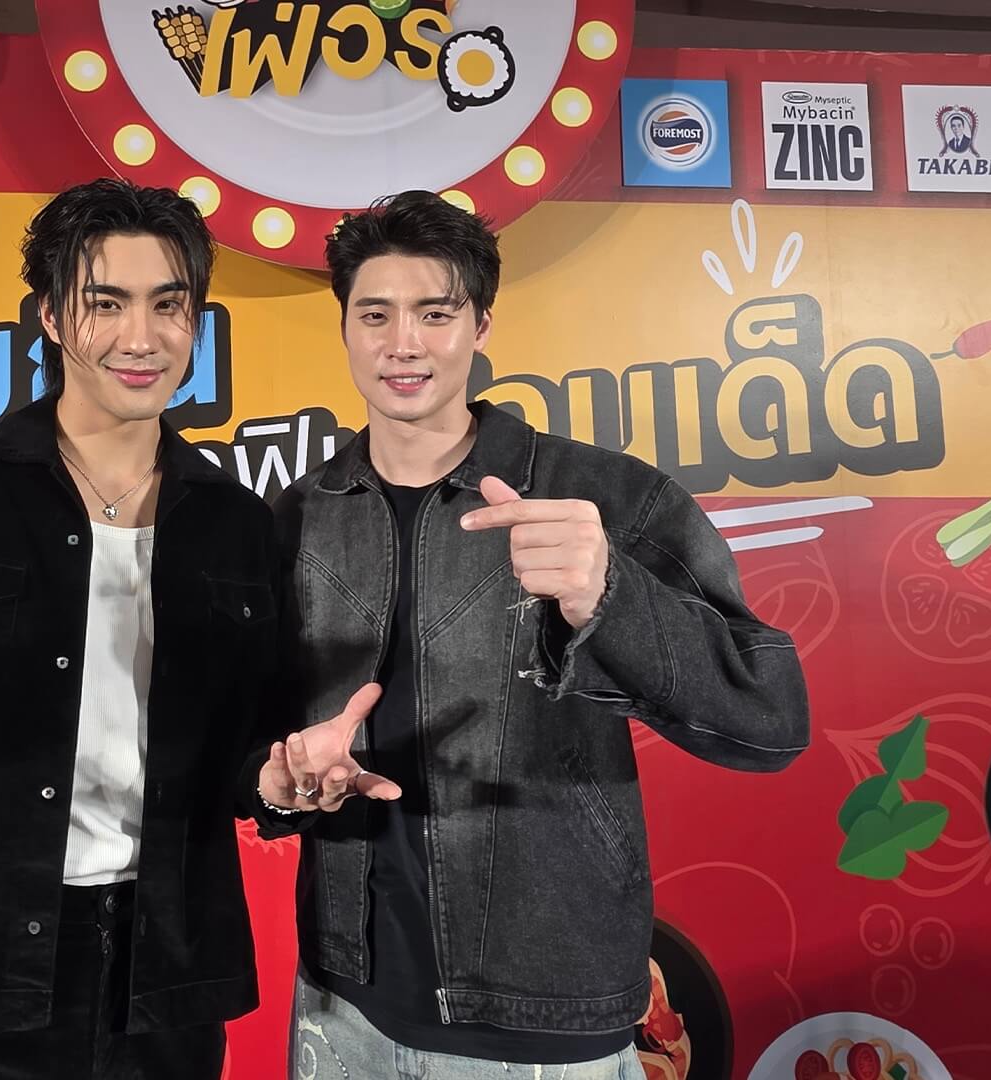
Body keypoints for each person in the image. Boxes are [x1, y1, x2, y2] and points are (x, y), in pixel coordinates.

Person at [0, 178, 364, 1079]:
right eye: (105, 303)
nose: (141, 337)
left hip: (164, 978)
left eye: (169, 305)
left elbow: (251, 759)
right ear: (50, 315)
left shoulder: (236, 522)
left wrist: (282, 785)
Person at [250, 191, 811, 1079]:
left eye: (436, 314)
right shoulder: (298, 519)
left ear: (480, 325)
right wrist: (281, 784)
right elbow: (260, 745)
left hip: (546, 1013)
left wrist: (608, 595)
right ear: (347, 328)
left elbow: (768, 720)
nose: (404, 343)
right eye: (376, 314)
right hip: (342, 1000)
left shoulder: (605, 496)